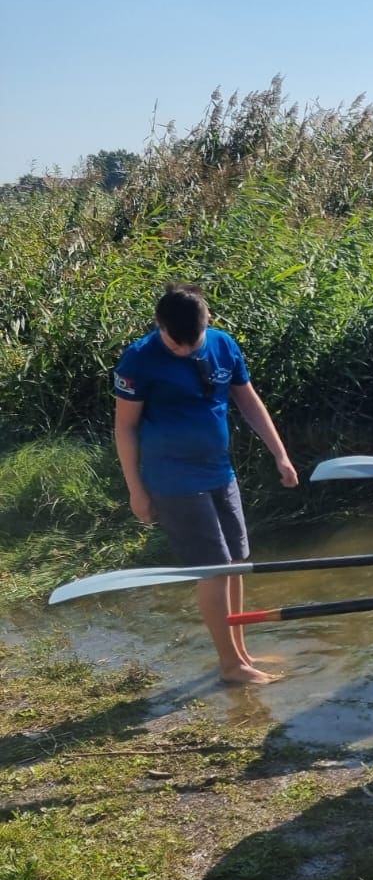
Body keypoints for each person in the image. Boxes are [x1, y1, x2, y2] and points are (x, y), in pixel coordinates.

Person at [113, 283, 298, 685]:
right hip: (174, 478)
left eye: (191, 341)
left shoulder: (223, 344)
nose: (183, 349)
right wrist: (136, 490)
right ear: (159, 324)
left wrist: (279, 454)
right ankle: (231, 667)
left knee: (235, 564)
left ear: (207, 321)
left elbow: (248, 400)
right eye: (175, 342)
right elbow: (125, 427)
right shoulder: (139, 360)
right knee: (213, 570)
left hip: (220, 471)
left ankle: (241, 653)